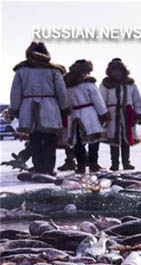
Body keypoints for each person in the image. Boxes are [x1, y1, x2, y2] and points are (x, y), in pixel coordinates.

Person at [9, 42, 70, 175]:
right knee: (50, 140)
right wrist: (65, 107)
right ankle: (48, 168)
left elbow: (15, 92)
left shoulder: (21, 71)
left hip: (28, 106)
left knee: (35, 138)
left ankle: (38, 168)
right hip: (50, 107)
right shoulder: (54, 70)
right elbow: (61, 91)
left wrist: (14, 109)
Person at [64, 59, 109, 174]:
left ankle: (81, 166)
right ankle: (93, 164)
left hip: (73, 115)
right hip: (89, 113)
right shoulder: (88, 84)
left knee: (78, 142)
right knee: (94, 140)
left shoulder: (67, 84)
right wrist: (103, 113)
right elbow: (97, 100)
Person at [99, 58, 141, 170]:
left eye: (119, 70)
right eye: (114, 70)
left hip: (127, 114)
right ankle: (114, 163)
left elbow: (137, 100)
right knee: (113, 140)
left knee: (126, 139)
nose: (116, 73)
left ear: (123, 71)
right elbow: (101, 100)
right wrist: (102, 114)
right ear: (110, 72)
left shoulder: (130, 84)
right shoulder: (106, 84)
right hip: (112, 115)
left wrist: (139, 114)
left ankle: (126, 162)